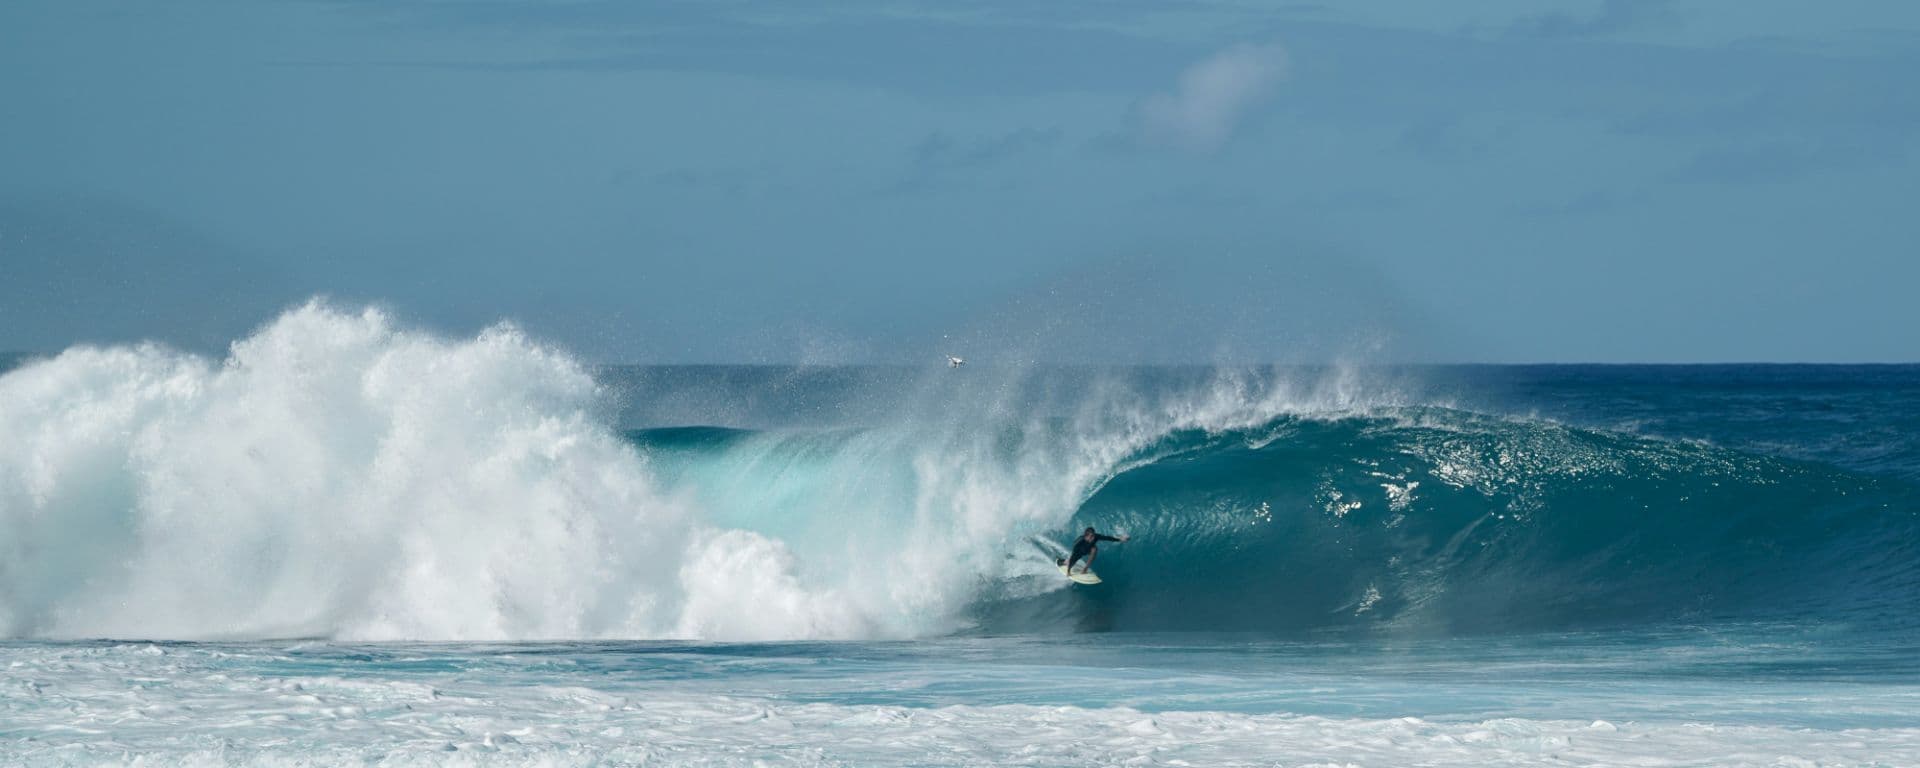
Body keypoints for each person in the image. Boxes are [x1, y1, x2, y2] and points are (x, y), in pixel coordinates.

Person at [1060, 527, 1129, 574]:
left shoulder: (1095, 536)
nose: (1092, 538)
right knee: (1071, 562)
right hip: (1079, 552)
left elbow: (1107, 538)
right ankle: (1065, 562)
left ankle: (1085, 568)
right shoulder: (1079, 542)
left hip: (1088, 550)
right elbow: (1073, 555)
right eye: (1090, 537)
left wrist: (1120, 539)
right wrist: (1068, 571)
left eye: (1093, 536)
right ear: (1085, 536)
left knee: (1094, 549)